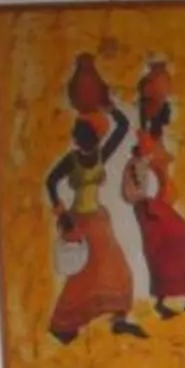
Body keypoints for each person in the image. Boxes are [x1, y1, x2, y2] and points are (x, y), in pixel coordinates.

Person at [42, 107, 144, 343]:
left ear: (95, 137)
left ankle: (118, 319)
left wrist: (109, 106)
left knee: (117, 267)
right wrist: (62, 214)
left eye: (83, 134)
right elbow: (50, 181)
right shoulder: (72, 159)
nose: (78, 138)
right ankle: (63, 324)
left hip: (99, 220)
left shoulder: (100, 154)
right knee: (83, 275)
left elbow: (122, 127)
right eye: (78, 134)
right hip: (80, 221)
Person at [121, 57, 185, 317]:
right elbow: (139, 170)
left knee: (176, 238)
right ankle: (162, 303)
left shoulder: (155, 138)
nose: (164, 111)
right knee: (159, 248)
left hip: (159, 201)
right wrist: (145, 200)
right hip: (149, 204)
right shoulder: (145, 139)